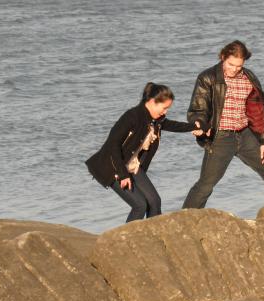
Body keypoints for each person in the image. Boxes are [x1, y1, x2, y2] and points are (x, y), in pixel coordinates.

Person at [182, 40, 264, 217]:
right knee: (206, 184)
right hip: (220, 138)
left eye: (239, 66)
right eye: (231, 64)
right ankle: (184, 219)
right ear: (223, 57)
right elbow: (198, 109)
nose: (234, 69)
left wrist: (263, 141)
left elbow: (259, 112)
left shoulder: (249, 77)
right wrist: (200, 125)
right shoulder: (208, 78)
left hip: (246, 135)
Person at [86, 82, 203, 222]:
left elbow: (173, 125)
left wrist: (195, 127)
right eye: (164, 108)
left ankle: (154, 233)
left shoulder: (155, 120)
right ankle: (128, 236)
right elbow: (112, 146)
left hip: (132, 165)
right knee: (140, 205)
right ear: (152, 102)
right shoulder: (132, 117)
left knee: (155, 201)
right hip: (113, 167)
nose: (165, 112)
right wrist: (123, 175)